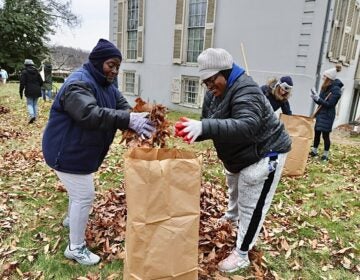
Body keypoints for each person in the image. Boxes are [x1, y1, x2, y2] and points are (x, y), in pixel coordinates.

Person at [175, 48, 291, 273]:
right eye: (204, 82)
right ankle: (231, 217)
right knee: (235, 188)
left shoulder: (247, 89)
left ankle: (242, 254)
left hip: (265, 151)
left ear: (225, 72)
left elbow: (247, 125)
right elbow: (210, 122)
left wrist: (204, 127)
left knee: (251, 201)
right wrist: (195, 131)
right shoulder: (213, 92)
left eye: (211, 80)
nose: (208, 86)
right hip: (239, 155)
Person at [42, 39, 155, 266]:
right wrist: (127, 119)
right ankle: (75, 248)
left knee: (78, 194)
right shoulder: (78, 84)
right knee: (84, 195)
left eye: (117, 66)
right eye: (110, 64)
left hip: (81, 150)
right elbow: (89, 114)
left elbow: (121, 106)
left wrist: (135, 119)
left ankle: (71, 219)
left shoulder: (106, 83)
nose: (114, 70)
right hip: (66, 151)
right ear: (97, 62)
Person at [309, 66, 343, 161]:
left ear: (329, 78)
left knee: (325, 135)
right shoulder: (324, 87)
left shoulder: (336, 90)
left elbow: (329, 104)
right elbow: (320, 102)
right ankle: (314, 151)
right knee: (317, 133)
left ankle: (325, 155)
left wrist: (319, 99)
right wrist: (315, 97)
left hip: (328, 115)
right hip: (321, 114)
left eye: (324, 76)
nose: (323, 78)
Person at [19, 59, 43, 123]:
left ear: (25, 65)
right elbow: (41, 82)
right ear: (32, 64)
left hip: (29, 90)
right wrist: (38, 87)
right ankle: (35, 117)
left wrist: (20, 92)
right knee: (35, 104)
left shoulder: (24, 72)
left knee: (29, 104)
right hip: (37, 90)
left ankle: (32, 116)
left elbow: (22, 83)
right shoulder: (37, 71)